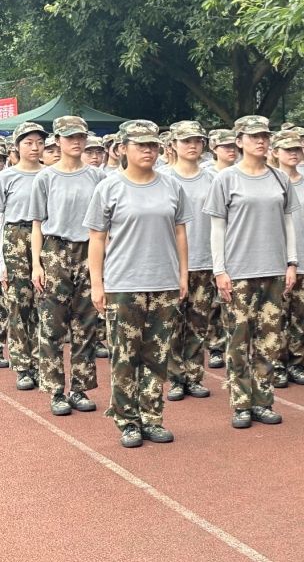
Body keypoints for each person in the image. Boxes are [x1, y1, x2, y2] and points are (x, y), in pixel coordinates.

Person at [85, 120, 190, 448]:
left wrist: (183, 275)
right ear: (123, 149)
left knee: (157, 354)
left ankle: (152, 416)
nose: (148, 150)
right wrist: (97, 284)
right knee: (124, 355)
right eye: (141, 144)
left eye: (153, 145)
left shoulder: (171, 186)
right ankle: (128, 420)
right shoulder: (109, 188)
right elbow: (96, 239)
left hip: (163, 282)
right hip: (123, 284)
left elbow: (180, 232)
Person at [205, 114, 298, 430]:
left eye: (265, 136)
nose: (261, 141)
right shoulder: (226, 179)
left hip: (273, 270)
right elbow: (217, 228)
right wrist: (220, 269)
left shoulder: (279, 178)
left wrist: (292, 262)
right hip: (239, 272)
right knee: (238, 340)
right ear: (239, 141)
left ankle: (263, 401)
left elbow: (289, 221)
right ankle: (241, 403)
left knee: (269, 340)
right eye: (254, 136)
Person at [30, 116, 106, 417]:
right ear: (58, 141)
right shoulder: (45, 178)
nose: (76, 142)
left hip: (89, 250)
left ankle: (79, 388)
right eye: (70, 137)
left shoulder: (98, 177)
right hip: (55, 250)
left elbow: (106, 225)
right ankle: (55, 391)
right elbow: (37, 225)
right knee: (52, 324)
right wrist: (36, 264)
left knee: (86, 323)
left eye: (81, 137)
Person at [165, 121, 218, 401]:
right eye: (186, 141)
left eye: (197, 141)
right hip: (171, 263)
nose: (193, 146)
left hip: (204, 260)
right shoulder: (163, 178)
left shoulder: (213, 179)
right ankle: (176, 377)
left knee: (199, 322)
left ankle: (194, 376)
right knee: (173, 323)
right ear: (173, 145)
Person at [271, 130, 304, 388]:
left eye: (297, 149)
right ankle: (277, 365)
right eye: (287, 149)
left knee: (300, 316)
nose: (293, 153)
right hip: (277, 260)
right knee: (278, 316)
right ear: (275, 152)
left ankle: (297, 365)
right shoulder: (271, 182)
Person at [0, 121, 46, 386]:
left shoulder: (49, 174)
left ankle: (40, 362)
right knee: (19, 303)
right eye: (28, 143)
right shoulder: (6, 177)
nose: (35, 147)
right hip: (15, 238)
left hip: (45, 238)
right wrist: (2, 262)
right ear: (17, 147)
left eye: (39, 142)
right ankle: (22, 366)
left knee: (43, 303)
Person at [204, 128, 238, 370]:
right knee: (212, 304)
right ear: (214, 148)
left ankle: (229, 346)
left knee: (231, 303)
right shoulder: (208, 176)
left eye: (233, 145)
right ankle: (215, 347)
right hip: (209, 246)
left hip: (235, 249)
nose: (231, 150)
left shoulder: (241, 175)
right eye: (225, 146)